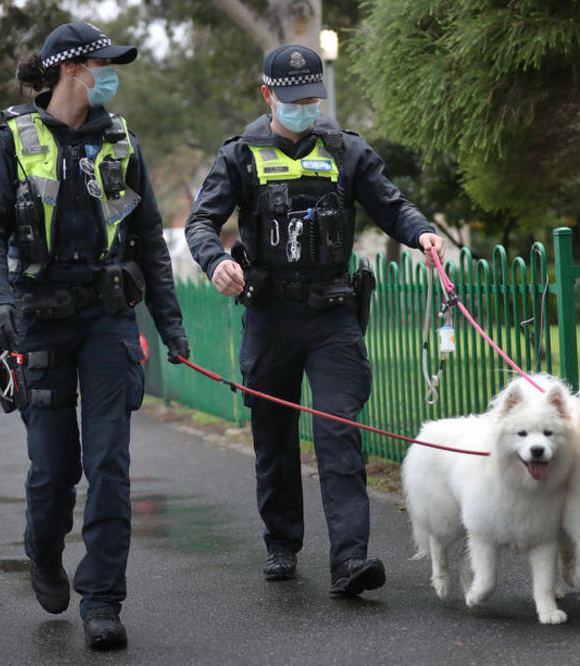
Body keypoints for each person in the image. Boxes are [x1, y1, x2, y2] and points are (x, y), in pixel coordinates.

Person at [185, 44, 444, 597]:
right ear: (267, 95)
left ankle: (350, 560)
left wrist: (421, 232)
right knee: (273, 436)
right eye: (293, 99)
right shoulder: (241, 155)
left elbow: (391, 205)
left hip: (332, 315)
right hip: (269, 317)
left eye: (312, 98)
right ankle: (282, 543)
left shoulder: (347, 150)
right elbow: (201, 222)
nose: (305, 108)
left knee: (337, 430)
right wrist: (216, 261)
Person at [0, 21, 189, 650]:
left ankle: (103, 601)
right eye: (102, 64)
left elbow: (149, 239)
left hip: (107, 319)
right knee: (53, 469)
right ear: (72, 69)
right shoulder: (12, 140)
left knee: (109, 464)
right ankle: (43, 551)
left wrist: (170, 326)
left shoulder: (121, 141)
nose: (109, 75)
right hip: (37, 318)